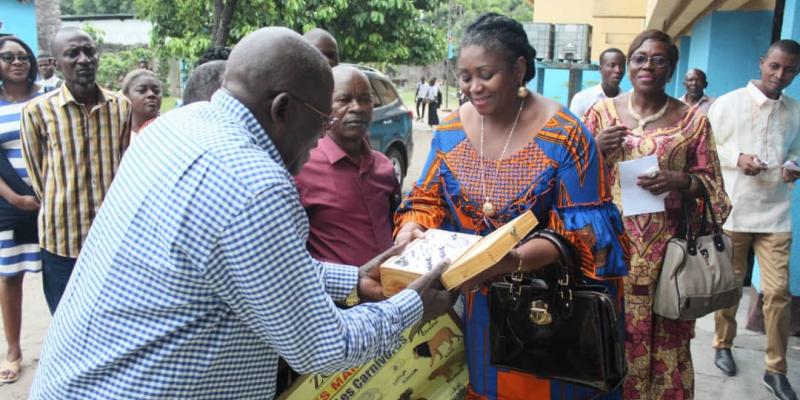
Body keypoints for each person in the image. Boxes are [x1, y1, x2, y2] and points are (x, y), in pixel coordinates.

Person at [28, 27, 454, 399]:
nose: (323, 135)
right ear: (282, 109)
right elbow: (320, 345)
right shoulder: (256, 183)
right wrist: (413, 306)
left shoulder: (182, 123)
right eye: (323, 118)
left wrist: (355, 280)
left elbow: (242, 263)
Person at [395, 13, 629, 400]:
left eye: (486, 74)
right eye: (465, 76)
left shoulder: (566, 134)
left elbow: (586, 236)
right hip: (482, 304)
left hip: (552, 303)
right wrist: (411, 229)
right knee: (490, 385)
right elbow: (424, 199)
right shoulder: (450, 132)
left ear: (519, 68)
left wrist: (509, 261)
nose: (474, 88)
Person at [583, 30, 731, 400]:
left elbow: (715, 190)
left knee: (664, 340)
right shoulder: (600, 114)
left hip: (668, 257)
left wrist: (681, 180)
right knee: (602, 331)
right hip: (608, 250)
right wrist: (595, 150)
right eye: (640, 58)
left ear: (672, 70)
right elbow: (571, 175)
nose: (648, 65)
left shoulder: (693, 122)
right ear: (628, 65)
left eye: (659, 59)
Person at [707, 39, 800, 400]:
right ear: (762, 62)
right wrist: (737, 157)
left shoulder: (794, 111)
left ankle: (776, 369)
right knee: (729, 285)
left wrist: (794, 165)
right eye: (775, 66)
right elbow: (706, 145)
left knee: (776, 291)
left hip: (776, 213)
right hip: (734, 210)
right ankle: (722, 343)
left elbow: (796, 150)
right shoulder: (729, 103)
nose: (780, 75)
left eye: (790, 69)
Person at [20, 27, 131, 314]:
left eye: (89, 52)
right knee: (64, 320)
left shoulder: (120, 106)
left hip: (111, 238)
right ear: (56, 64)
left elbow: (124, 165)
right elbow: (37, 175)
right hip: (62, 239)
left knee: (112, 315)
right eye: (72, 54)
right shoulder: (37, 111)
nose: (83, 59)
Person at [295, 65, 400, 266]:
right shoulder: (303, 168)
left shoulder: (384, 166)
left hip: (392, 291)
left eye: (365, 99)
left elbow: (395, 224)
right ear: (325, 107)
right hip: (342, 295)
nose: (357, 108)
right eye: (344, 100)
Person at [0, 36, 42, 385]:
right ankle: (13, 351)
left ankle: (65, 345)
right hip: (11, 205)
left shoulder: (49, 97)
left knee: (60, 274)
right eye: (8, 57)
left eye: (23, 55)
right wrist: (14, 198)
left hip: (53, 203)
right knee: (11, 276)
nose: (17, 61)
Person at [569, 48, 626, 117]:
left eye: (622, 66)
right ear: (600, 69)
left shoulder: (628, 101)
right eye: (612, 65)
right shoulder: (582, 98)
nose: (618, 70)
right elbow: (572, 127)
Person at [121, 68, 162, 139]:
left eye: (156, 91)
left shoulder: (170, 128)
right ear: (126, 96)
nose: (151, 94)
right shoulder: (118, 133)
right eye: (142, 90)